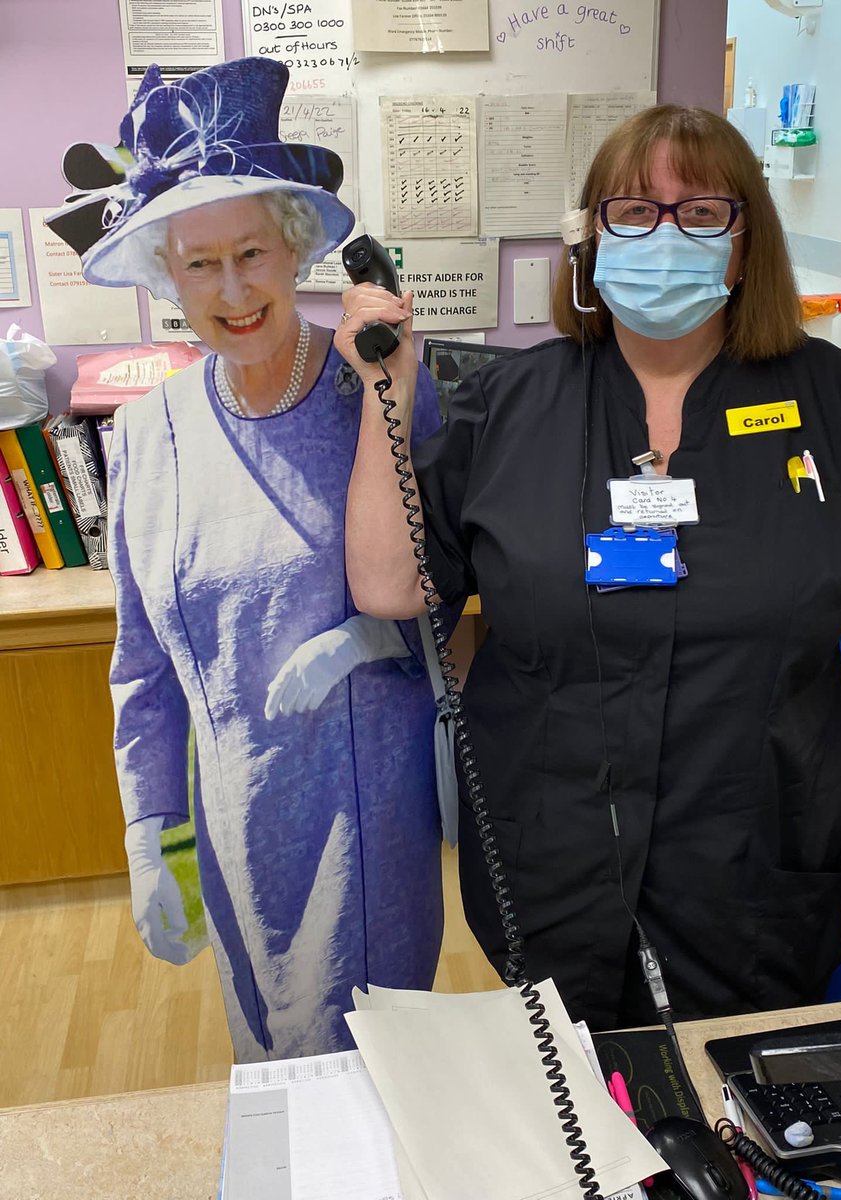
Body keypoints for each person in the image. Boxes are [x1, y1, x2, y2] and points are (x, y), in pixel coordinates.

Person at [337, 104, 841, 1030]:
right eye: (634, 212)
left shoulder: (836, 402)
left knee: (731, 1103)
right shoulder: (512, 401)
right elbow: (391, 586)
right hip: (552, 861)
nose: (664, 235)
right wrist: (384, 392)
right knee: (580, 1095)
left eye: (702, 212)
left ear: (746, 242)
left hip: (759, 869)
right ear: (590, 238)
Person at [47, 57, 444, 1062]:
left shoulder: (375, 391)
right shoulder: (147, 433)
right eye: (199, 264)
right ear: (166, 277)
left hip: (365, 813)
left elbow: (450, 597)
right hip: (235, 820)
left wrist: (362, 641)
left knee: (359, 1067)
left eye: (253, 252)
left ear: (298, 244)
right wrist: (152, 831)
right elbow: (144, 662)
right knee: (265, 1057)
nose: (232, 290)